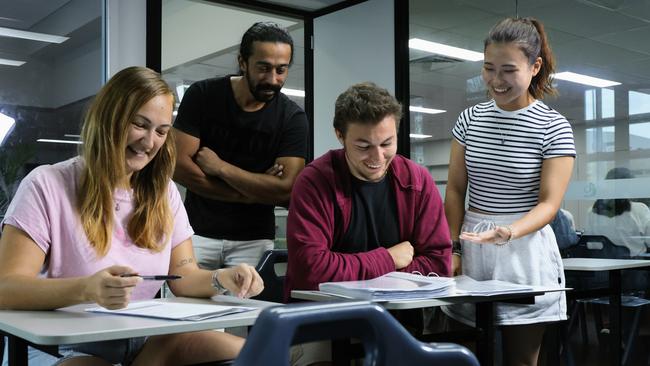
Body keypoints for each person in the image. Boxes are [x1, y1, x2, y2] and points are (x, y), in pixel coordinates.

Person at [0, 66, 263, 366]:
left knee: (256, 354)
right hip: (63, 347)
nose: (150, 142)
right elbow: (6, 288)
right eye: (140, 124)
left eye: (162, 131)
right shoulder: (46, 184)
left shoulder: (163, 193)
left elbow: (184, 277)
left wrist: (222, 279)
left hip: (142, 339)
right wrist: (87, 289)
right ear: (108, 118)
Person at [443, 17, 575, 366]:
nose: (496, 80)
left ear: (534, 67)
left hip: (524, 247)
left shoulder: (553, 126)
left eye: (507, 70)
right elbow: (455, 189)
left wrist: (510, 231)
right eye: (488, 68)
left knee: (521, 360)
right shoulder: (469, 118)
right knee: (467, 354)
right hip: (473, 243)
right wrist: (453, 247)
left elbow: (550, 203)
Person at [285, 82, 452, 298]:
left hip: (400, 318)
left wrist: (357, 274)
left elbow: (438, 265)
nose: (377, 157)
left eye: (387, 144)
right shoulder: (315, 182)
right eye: (363, 147)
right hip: (324, 318)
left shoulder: (417, 182)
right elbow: (310, 270)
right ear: (340, 135)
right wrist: (388, 259)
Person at [172, 21, 309, 272]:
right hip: (196, 233)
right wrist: (249, 193)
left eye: (282, 70)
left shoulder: (292, 118)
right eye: (264, 68)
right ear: (243, 62)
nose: (272, 79)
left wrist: (220, 168)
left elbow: (284, 190)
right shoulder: (202, 95)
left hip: (254, 240)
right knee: (183, 308)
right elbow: (178, 167)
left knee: (249, 310)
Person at [585, 167, 650, 256]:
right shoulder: (639, 210)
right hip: (634, 266)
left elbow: (590, 244)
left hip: (603, 266)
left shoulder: (592, 212)